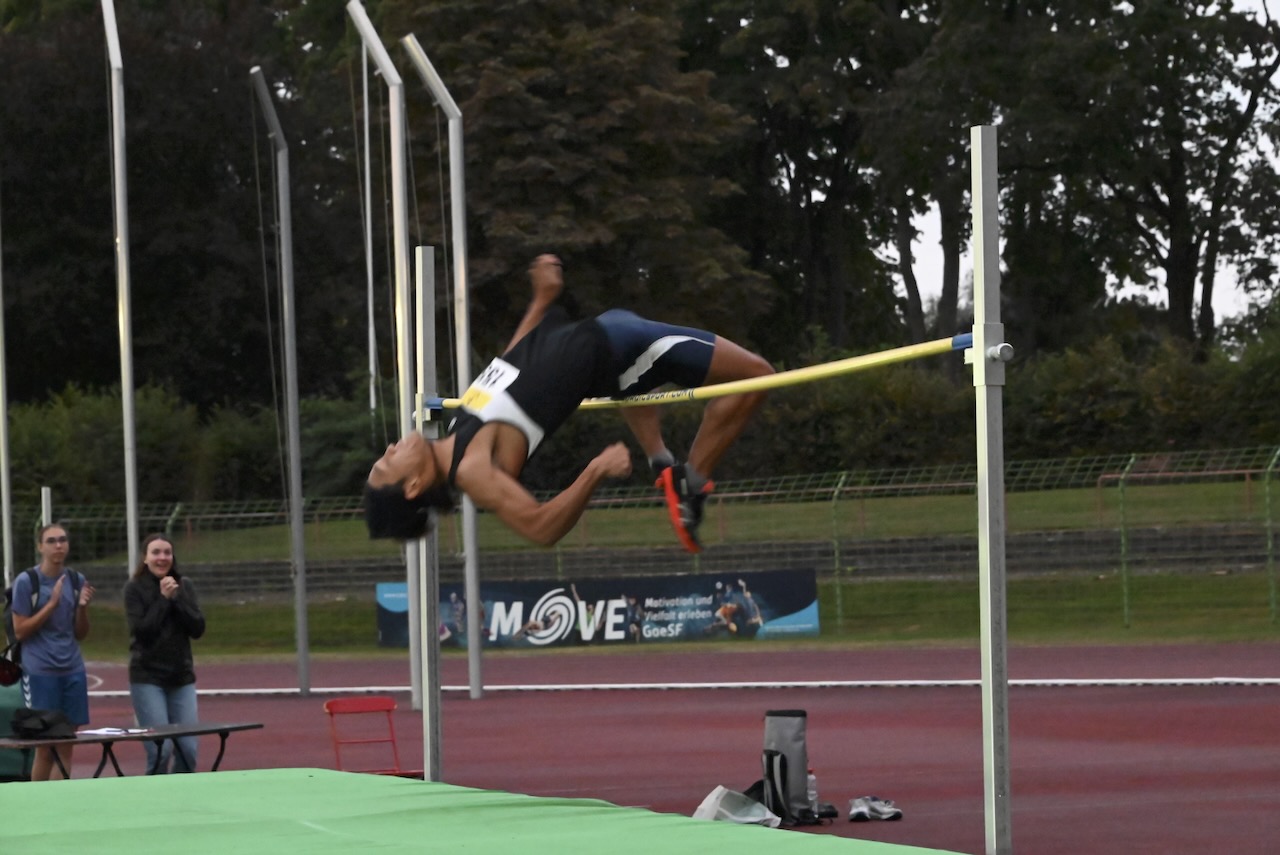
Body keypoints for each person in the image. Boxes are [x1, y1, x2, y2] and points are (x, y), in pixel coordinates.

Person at [365, 253, 774, 553]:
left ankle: (662, 462)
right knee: (757, 376)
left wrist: (541, 301)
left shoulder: (457, 430)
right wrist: (595, 470)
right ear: (413, 485)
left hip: (606, 331)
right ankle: (692, 481)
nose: (390, 448)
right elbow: (541, 528)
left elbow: (511, 363)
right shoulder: (473, 471)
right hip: (621, 350)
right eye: (386, 464)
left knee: (640, 380)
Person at [10, 523, 95, 780]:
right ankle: (39, 798)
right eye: (51, 541)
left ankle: (61, 798)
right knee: (45, 746)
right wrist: (51, 604)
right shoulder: (27, 581)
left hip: (72, 668)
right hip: (40, 671)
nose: (58, 545)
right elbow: (20, 631)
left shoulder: (76, 580)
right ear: (40, 547)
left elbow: (80, 633)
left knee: (66, 743)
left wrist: (82, 608)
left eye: (62, 540)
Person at [123, 533, 206, 773]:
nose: (162, 558)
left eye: (167, 553)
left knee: (188, 749)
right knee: (161, 749)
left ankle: (182, 790)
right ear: (145, 558)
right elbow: (143, 632)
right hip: (148, 677)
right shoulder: (134, 589)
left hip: (181, 677)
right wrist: (162, 599)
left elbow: (198, 628)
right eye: (156, 553)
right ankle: (155, 790)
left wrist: (176, 599)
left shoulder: (184, 585)